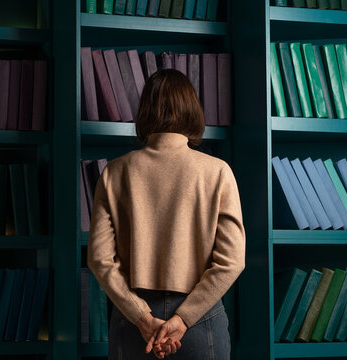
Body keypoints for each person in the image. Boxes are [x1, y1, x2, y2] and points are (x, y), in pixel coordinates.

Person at [87, 69, 245, 359]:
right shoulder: (218, 172)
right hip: (201, 320)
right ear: (192, 110)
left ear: (144, 112)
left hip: (133, 320)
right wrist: (184, 319)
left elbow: (99, 259)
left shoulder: (115, 172)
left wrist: (142, 318)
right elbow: (232, 262)